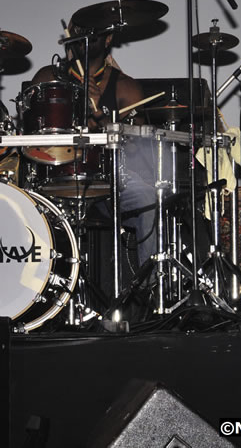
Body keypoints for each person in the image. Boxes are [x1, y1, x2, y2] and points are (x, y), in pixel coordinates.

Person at [28, 22, 157, 276]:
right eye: (77, 31)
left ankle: (149, 287)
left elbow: (137, 150)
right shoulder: (48, 78)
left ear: (108, 38)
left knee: (149, 199)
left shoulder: (125, 86)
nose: (83, 37)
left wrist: (100, 115)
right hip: (55, 177)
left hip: (110, 180)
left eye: (91, 32)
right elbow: (30, 133)